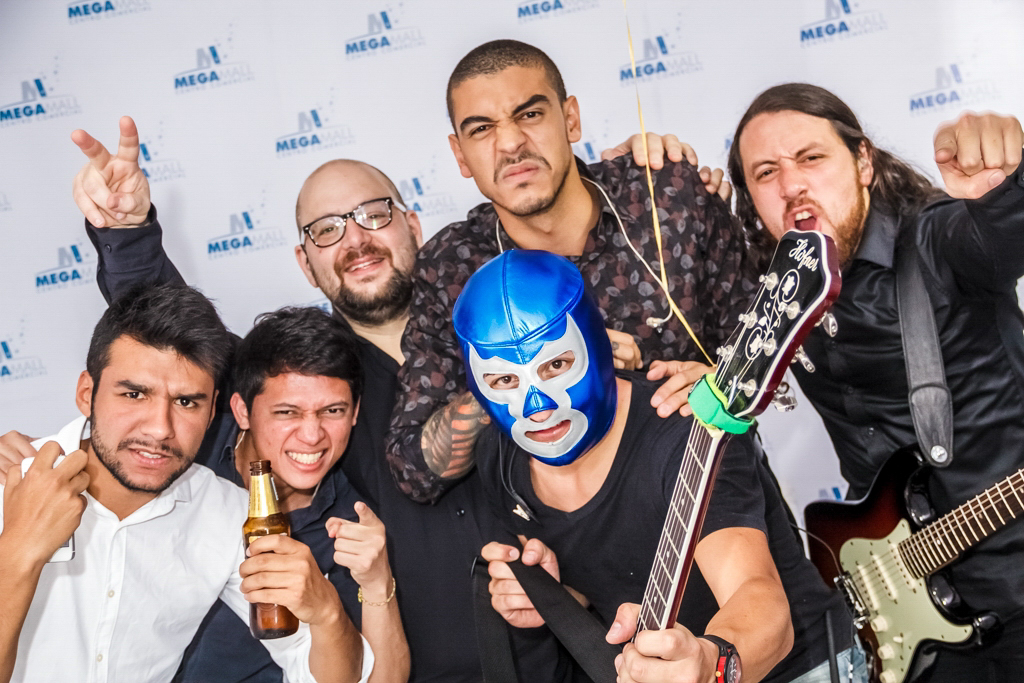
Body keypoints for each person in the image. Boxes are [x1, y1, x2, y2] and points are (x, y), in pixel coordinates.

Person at [0, 113, 727, 681]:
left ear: (414, 225)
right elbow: (174, 357)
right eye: (326, 229)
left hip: (578, 659)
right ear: (305, 263)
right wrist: (127, 231)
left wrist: (629, 184)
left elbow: (640, 307)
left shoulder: (516, 328)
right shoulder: (302, 383)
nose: (355, 238)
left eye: (375, 214)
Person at [453, 250, 863, 683]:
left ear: (597, 344)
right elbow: (598, 579)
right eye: (504, 381)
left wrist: (709, 663)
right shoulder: (500, 458)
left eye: (556, 365)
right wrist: (549, 594)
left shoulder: (685, 430)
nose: (537, 406)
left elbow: (758, 600)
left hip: (798, 669)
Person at [728, 83, 1024, 681]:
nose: (791, 185)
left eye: (811, 157)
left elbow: (1001, 238)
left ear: (863, 162)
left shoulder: (938, 239)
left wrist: (1004, 190)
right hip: (903, 619)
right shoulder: (780, 293)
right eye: (766, 172)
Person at [384, 39, 754, 506]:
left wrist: (718, 385)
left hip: (718, 497)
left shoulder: (667, 197)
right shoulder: (452, 267)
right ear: (460, 155)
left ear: (571, 119)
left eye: (530, 114)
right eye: (481, 129)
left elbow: (767, 355)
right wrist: (513, 378)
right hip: (574, 542)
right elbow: (413, 470)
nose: (511, 143)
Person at [0, 284, 370, 683]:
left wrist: (328, 612)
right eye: (135, 394)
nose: (160, 428)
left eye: (186, 402)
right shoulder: (10, 481)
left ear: (211, 413)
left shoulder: (229, 514)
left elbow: (318, 670)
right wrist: (18, 553)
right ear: (87, 394)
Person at [172, 306, 407, 683]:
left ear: (354, 412)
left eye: (332, 410)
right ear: (242, 411)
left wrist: (377, 580)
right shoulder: (187, 452)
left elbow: (382, 680)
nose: (312, 435)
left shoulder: (353, 523)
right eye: (287, 412)